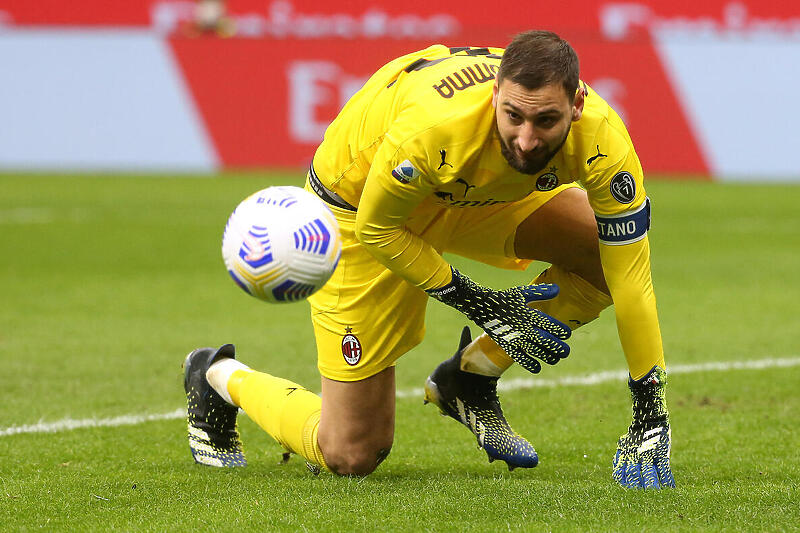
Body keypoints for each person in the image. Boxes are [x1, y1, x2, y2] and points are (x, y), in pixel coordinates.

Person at [183, 30, 675, 489]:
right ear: (493, 100)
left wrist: (649, 415)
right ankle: (218, 378)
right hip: (363, 210)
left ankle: (469, 377)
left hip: (473, 194)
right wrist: (473, 298)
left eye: (546, 121)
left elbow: (631, 274)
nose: (527, 140)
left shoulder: (603, 140)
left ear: (578, 105)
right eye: (514, 117)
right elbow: (379, 227)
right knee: (352, 453)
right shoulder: (434, 131)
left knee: (602, 255)